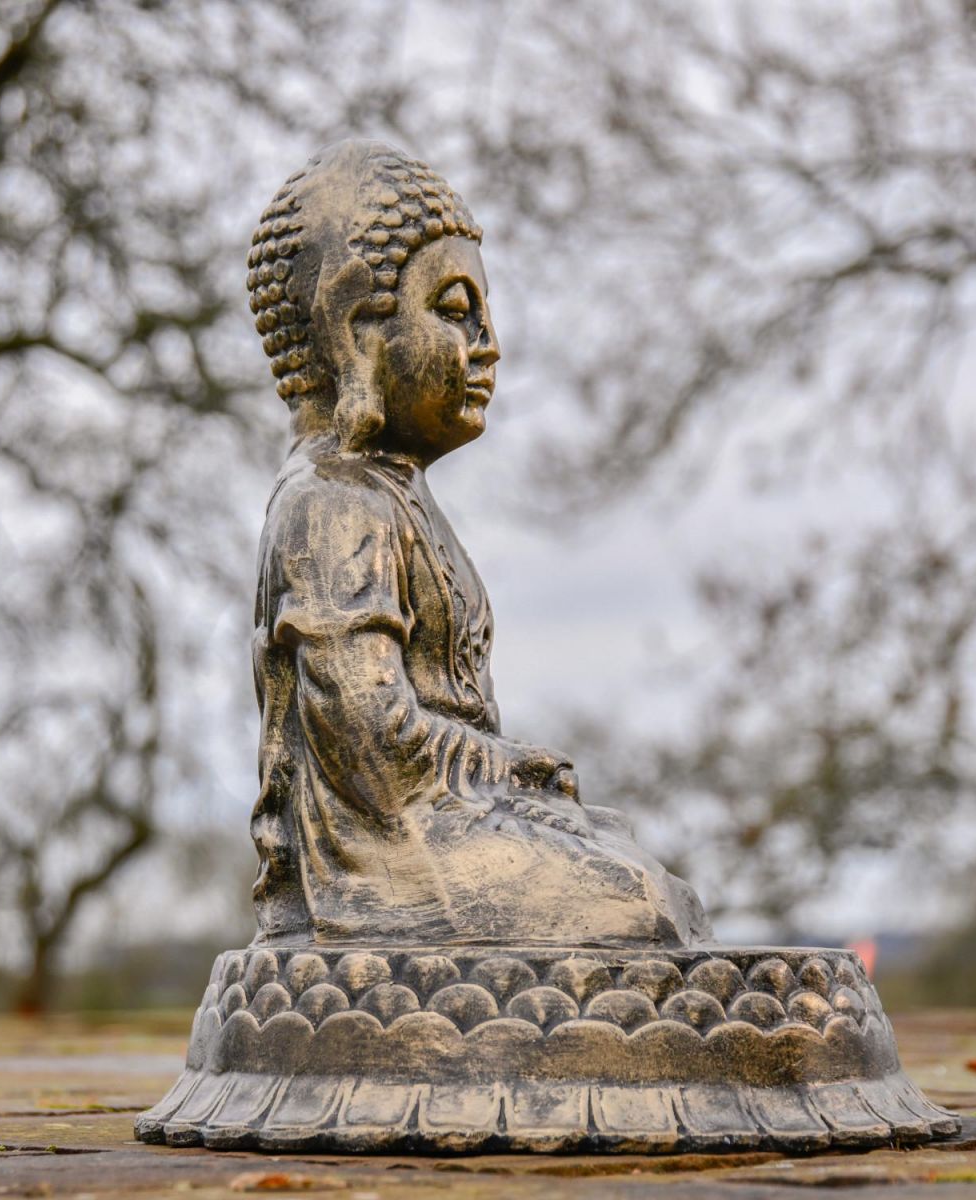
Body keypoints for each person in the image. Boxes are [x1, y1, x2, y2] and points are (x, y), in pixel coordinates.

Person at [246, 140, 709, 947]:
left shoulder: (395, 496)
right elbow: (372, 739)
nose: (488, 343)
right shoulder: (332, 506)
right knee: (641, 904)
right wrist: (505, 770)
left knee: (633, 862)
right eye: (455, 312)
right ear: (357, 329)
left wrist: (515, 780)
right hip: (386, 858)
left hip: (457, 815)